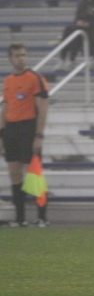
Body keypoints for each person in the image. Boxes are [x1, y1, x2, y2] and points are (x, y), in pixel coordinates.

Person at [1, 44, 49, 228]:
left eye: (23, 55)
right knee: (14, 173)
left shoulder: (35, 78)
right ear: (10, 59)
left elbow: (43, 107)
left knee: (34, 174)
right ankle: (20, 218)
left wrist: (39, 135)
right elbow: (5, 107)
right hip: (11, 130)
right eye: (17, 55)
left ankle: (42, 217)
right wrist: (1, 134)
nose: (21, 58)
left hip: (28, 128)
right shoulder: (8, 81)